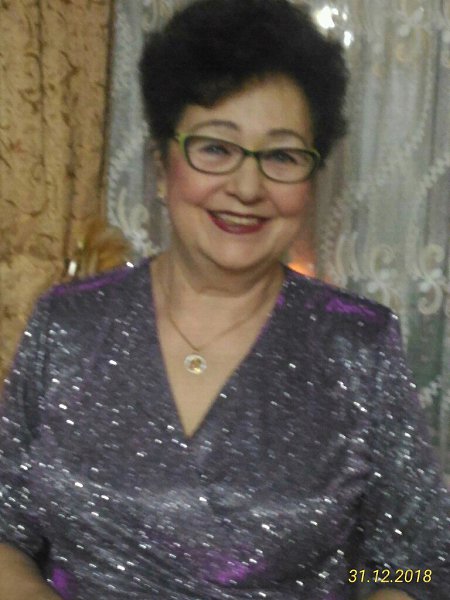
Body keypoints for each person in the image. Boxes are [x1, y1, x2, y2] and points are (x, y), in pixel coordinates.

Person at [0, 0, 448, 599]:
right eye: (215, 148)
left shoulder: (358, 346)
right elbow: (6, 526)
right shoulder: (68, 324)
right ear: (162, 168)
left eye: (282, 156)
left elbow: (418, 563)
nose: (247, 186)